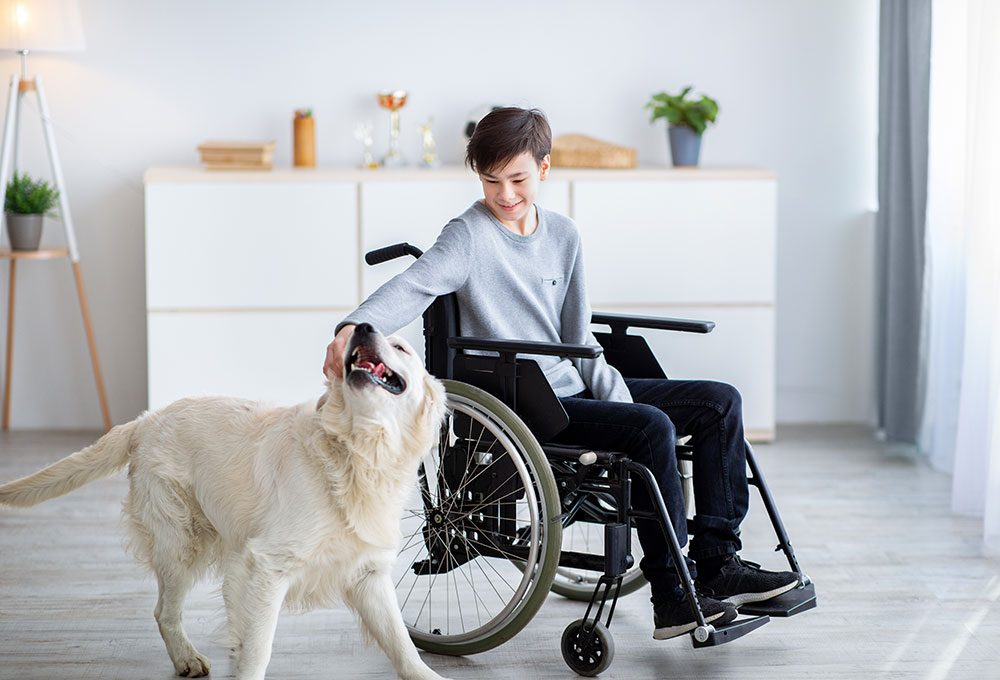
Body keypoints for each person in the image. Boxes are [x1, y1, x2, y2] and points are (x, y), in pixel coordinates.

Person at [323, 107, 799, 640]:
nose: (505, 195)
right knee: (651, 429)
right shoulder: (468, 236)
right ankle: (671, 593)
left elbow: (578, 341)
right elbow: (412, 286)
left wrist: (616, 394)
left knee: (720, 402)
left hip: (573, 386)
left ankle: (718, 562)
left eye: (518, 179)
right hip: (525, 399)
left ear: (544, 170)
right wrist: (354, 327)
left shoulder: (564, 235)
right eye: (491, 181)